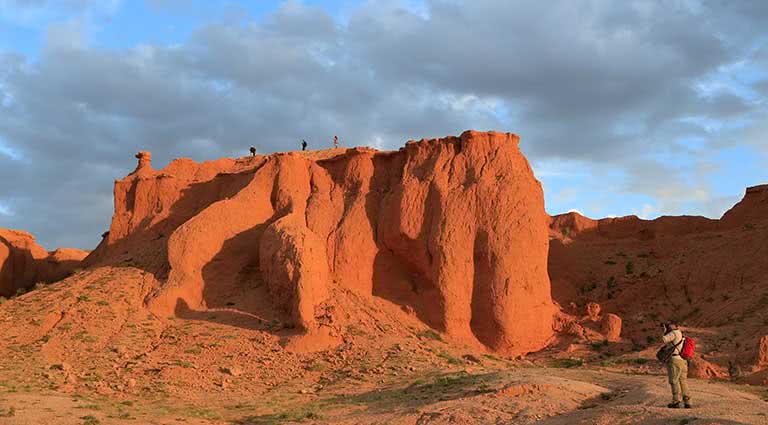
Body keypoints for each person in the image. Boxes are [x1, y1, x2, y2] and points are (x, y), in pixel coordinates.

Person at [662, 321, 691, 408]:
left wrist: (664, 331)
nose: (669, 326)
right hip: (683, 360)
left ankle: (676, 401)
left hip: (675, 360)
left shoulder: (674, 333)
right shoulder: (680, 333)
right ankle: (687, 402)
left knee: (674, 381)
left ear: (674, 325)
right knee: (683, 382)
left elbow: (664, 339)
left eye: (670, 324)